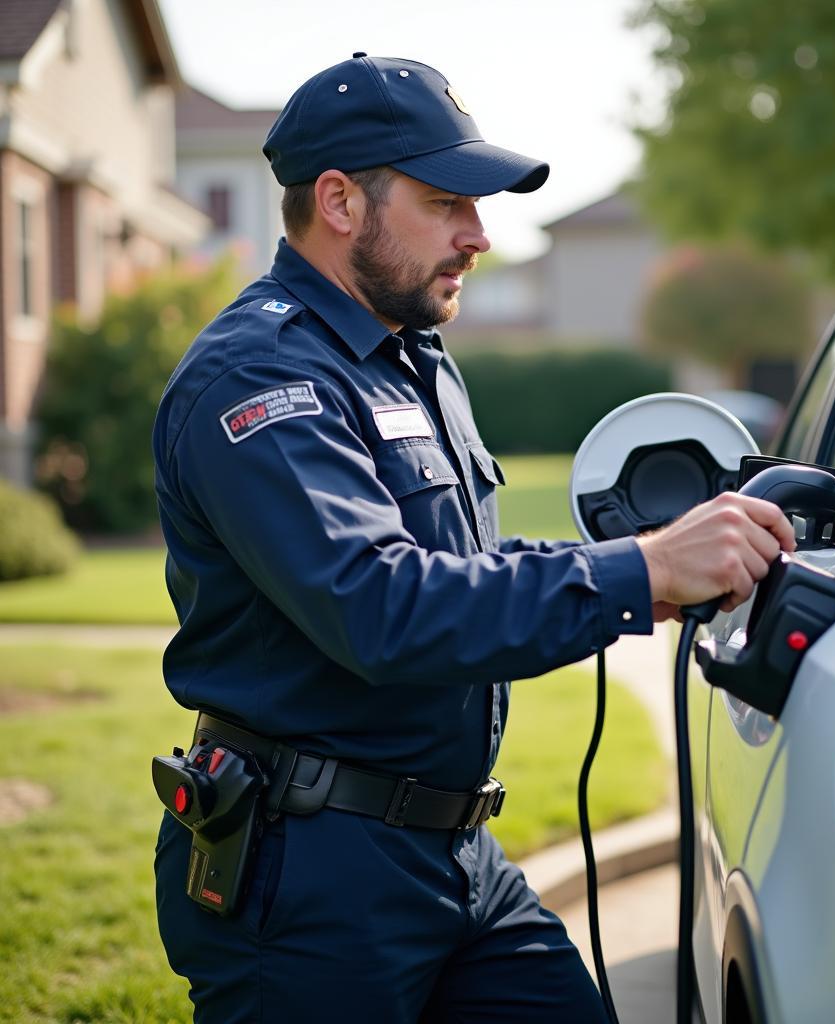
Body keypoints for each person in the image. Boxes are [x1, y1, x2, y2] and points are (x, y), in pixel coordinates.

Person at [152, 53, 795, 1024]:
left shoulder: (412, 359)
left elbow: (464, 571)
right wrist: (639, 568)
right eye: (447, 200)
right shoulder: (260, 379)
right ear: (338, 201)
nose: (480, 235)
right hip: (311, 874)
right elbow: (382, 606)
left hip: (457, 859)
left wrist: (651, 576)